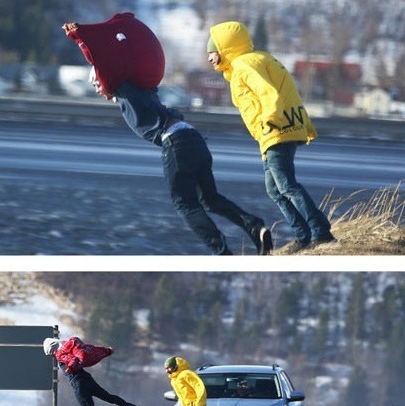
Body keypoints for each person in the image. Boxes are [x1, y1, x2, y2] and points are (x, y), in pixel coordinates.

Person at [63, 17, 272, 257]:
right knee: (210, 199)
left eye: (96, 86)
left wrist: (81, 38)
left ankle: (222, 252)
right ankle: (256, 228)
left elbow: (102, 63)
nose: (98, 91)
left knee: (185, 203)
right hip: (192, 137)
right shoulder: (143, 90)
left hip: (176, 142)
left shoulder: (124, 89)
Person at [207, 21, 336, 253]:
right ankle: (302, 235)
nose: (209, 58)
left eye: (212, 51)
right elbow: (291, 92)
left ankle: (320, 231)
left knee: (286, 185)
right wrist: (302, 123)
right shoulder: (258, 59)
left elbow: (270, 93)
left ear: (225, 48)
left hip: (276, 129)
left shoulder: (244, 66)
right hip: (279, 129)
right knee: (274, 189)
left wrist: (270, 119)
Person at [43, 335, 145, 406]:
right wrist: (106, 351)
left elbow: (72, 360)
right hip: (87, 378)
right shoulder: (70, 347)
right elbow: (90, 350)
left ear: (52, 349)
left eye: (50, 353)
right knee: (109, 397)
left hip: (78, 383)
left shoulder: (60, 354)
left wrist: (71, 367)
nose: (52, 356)